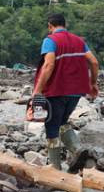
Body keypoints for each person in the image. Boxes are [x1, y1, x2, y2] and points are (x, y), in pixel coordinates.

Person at [30, 13, 99, 170]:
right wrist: (93, 83)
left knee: (52, 128)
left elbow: (48, 65)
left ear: (50, 26)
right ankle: (77, 150)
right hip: (76, 92)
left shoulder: (50, 40)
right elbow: (94, 61)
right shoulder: (79, 41)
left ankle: (55, 170)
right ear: (65, 24)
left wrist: (38, 90)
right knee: (62, 122)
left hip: (56, 91)